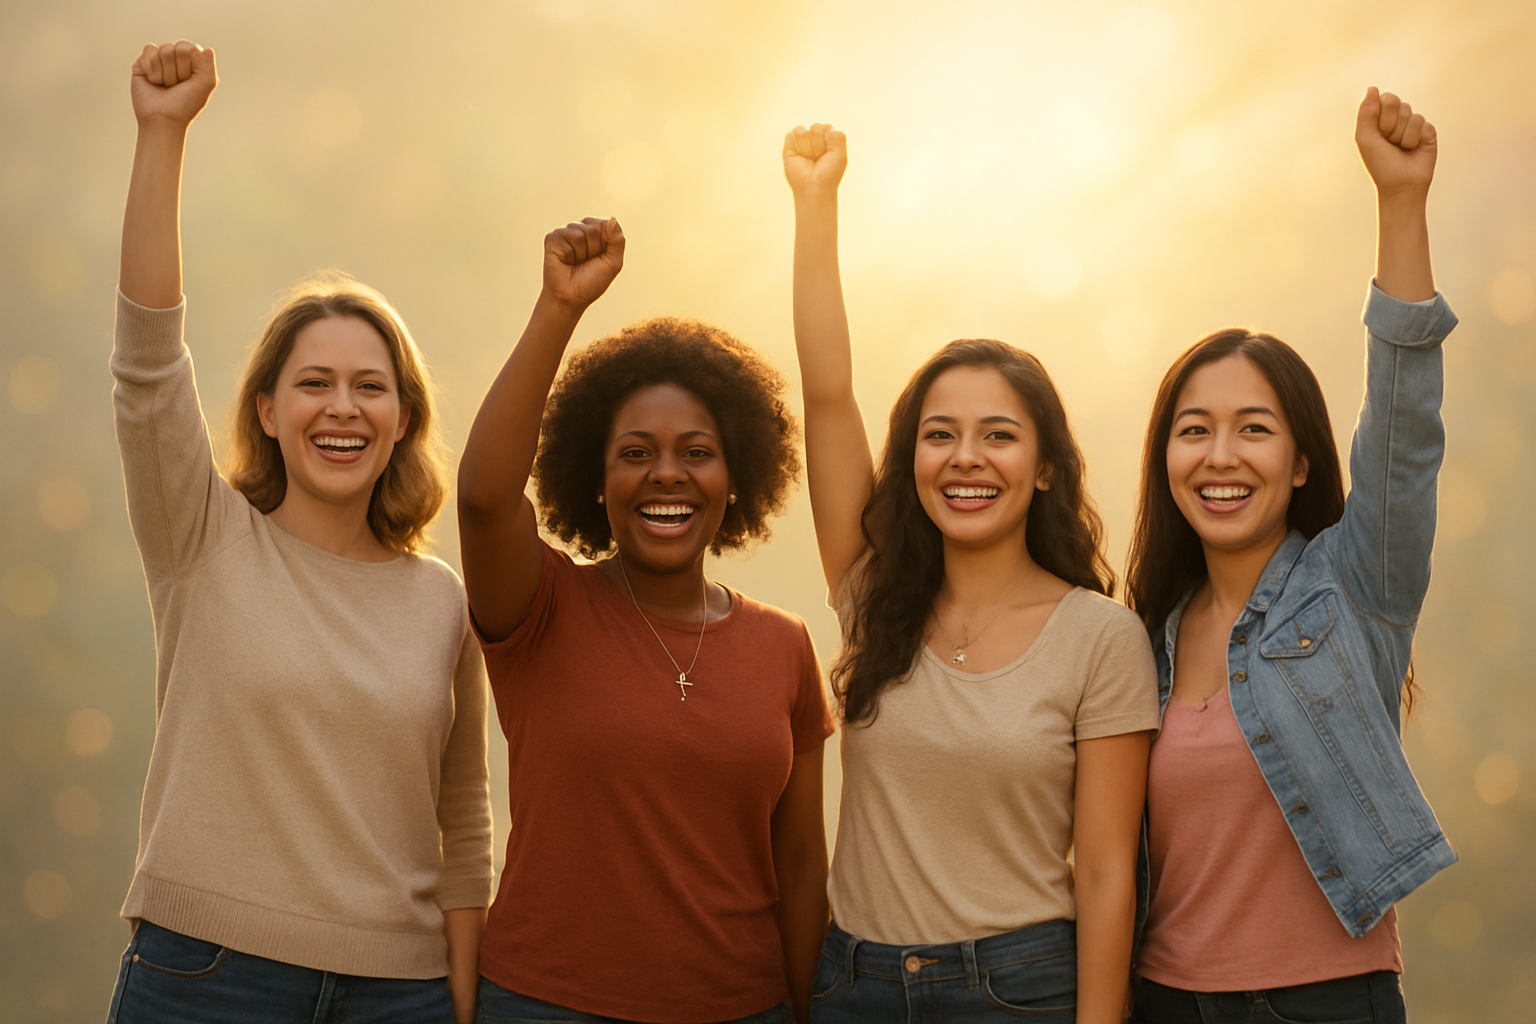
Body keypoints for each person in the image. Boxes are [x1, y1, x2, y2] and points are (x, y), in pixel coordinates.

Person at [106, 40, 492, 1024]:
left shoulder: (442, 599)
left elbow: (463, 824)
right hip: (205, 981)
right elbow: (147, 363)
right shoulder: (200, 536)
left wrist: (459, 1001)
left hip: (401, 996)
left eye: (371, 387)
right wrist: (162, 135)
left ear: (402, 417)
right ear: (268, 411)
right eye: (314, 383)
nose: (343, 407)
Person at [784, 124, 1159, 1023]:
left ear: (1046, 468)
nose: (966, 458)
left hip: (1019, 990)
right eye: (940, 434)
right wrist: (815, 206)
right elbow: (827, 395)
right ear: (911, 461)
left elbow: (1107, 873)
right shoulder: (874, 596)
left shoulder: (1101, 637)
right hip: (856, 987)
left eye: (999, 435)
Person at [1124, 89, 1456, 1024]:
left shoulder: (1357, 587)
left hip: (1325, 1004)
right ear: (1165, 457)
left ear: (1301, 459)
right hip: (1164, 1004)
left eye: (1254, 429)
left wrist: (1401, 201)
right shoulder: (1140, 637)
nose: (1221, 456)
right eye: (1195, 430)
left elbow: (1404, 429)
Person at [456, 217, 835, 1024]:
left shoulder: (784, 645)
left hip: (743, 1009)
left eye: (697, 452)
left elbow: (802, 866)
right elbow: (485, 498)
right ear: (595, 479)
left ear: (737, 476)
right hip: (546, 1005)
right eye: (635, 453)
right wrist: (558, 309)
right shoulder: (540, 607)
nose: (668, 474)